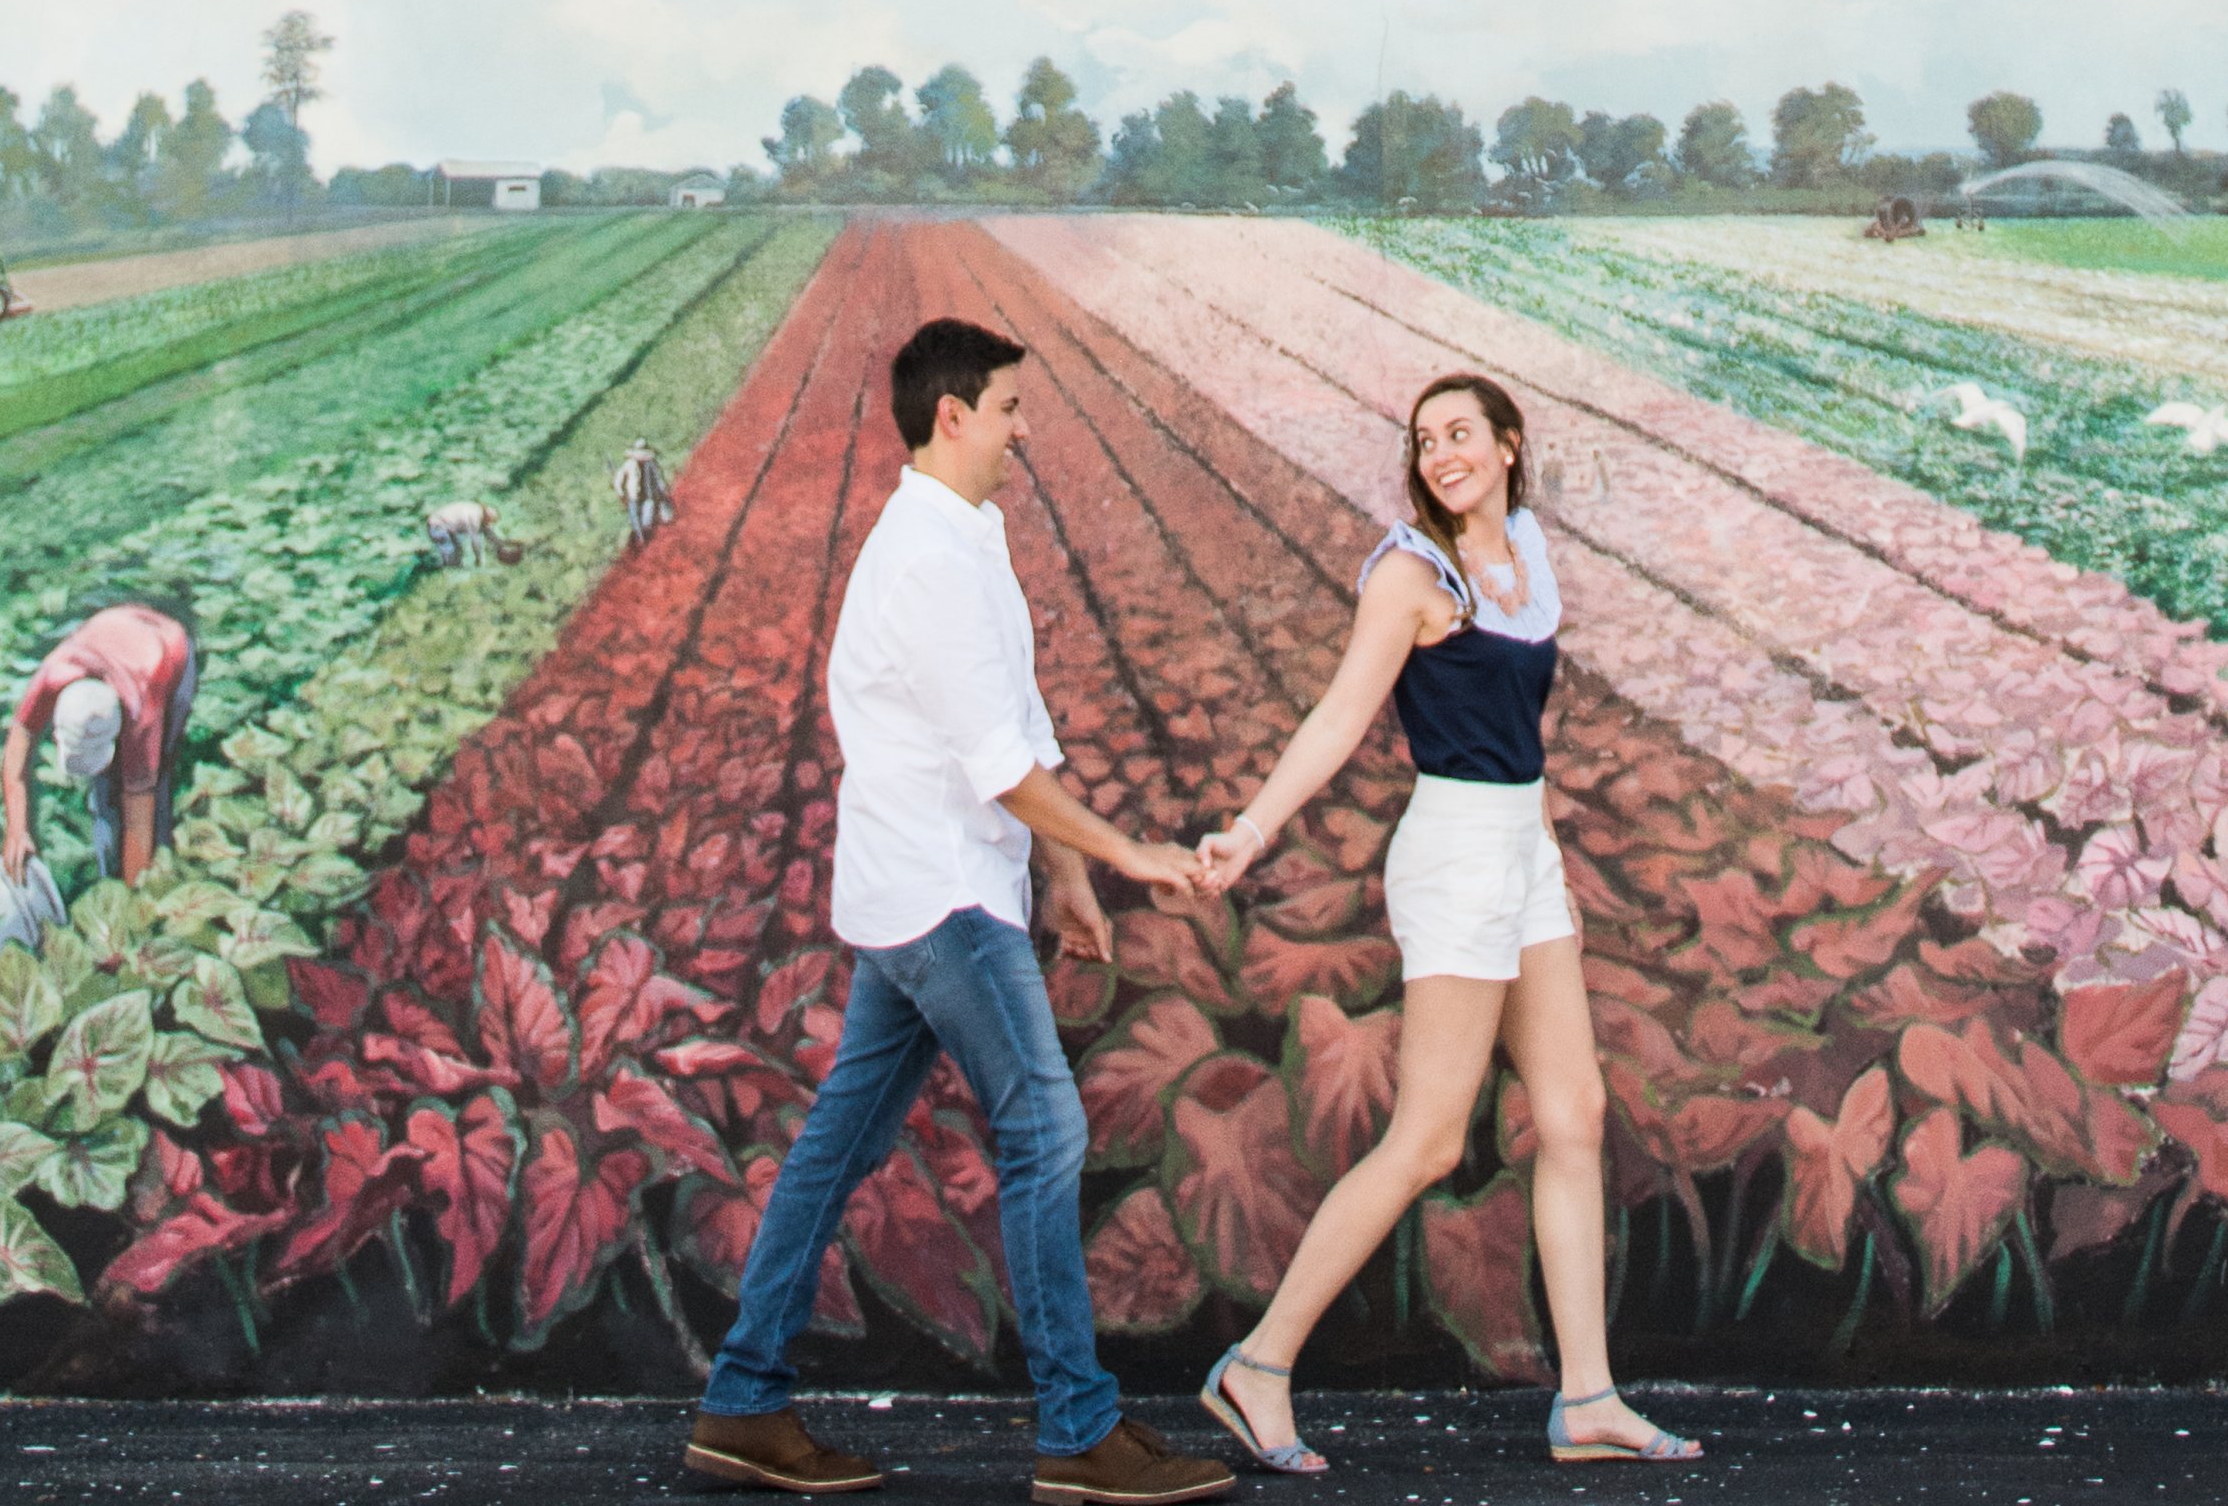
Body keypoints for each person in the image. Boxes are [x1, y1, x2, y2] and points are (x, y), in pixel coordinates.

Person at [686, 318, 1235, 1505]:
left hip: (922, 891)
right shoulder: (927, 558)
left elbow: (1012, 715)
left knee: (834, 1150)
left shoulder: (963, 538)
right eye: (1008, 408)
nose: (1022, 429)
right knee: (1045, 1131)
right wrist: (1129, 850)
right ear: (952, 414)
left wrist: (1068, 874)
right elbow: (1000, 762)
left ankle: (740, 1404)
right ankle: (1080, 1431)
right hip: (943, 900)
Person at [1192, 374, 1700, 1472]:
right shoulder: (1411, 576)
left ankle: (1586, 1396)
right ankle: (1259, 1363)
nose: (1441, 454)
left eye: (1460, 433)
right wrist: (1250, 826)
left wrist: (1542, 857)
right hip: (1458, 852)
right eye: (1425, 440)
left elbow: (1520, 728)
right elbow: (1340, 712)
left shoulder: (1521, 552)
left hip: (1523, 847)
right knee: (1427, 1136)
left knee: (1572, 1111)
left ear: (1511, 446)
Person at [1, 603, 197, 887]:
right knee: (105, 794)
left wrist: (130, 901)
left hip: (169, 648)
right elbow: (18, 744)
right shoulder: (54, 674)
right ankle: (109, 869)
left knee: (154, 778)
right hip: (112, 629)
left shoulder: (142, 710)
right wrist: (17, 829)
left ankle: (158, 858)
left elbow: (138, 814)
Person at [614, 437, 673, 547]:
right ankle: (640, 539)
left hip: (648, 496)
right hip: (634, 496)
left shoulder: (651, 464)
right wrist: (621, 494)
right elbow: (618, 479)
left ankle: (646, 538)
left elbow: (658, 478)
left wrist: (663, 489)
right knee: (636, 520)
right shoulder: (629, 464)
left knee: (647, 521)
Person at [426, 499, 502, 567]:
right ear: (486, 517)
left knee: (458, 551)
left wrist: (500, 545)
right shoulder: (474, 516)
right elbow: (475, 541)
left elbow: (489, 533)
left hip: (446, 527)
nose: (489, 524)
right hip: (438, 525)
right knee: (450, 554)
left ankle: (453, 570)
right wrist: (479, 561)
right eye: (489, 521)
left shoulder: (477, 511)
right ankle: (441, 571)